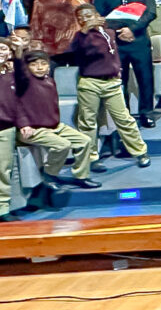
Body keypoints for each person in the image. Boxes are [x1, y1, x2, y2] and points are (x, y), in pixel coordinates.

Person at [69, 4, 151, 171]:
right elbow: (77, 52)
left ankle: (140, 152)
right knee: (88, 123)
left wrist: (117, 69)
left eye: (88, 15)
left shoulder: (109, 32)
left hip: (112, 82)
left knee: (124, 119)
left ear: (97, 15)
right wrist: (85, 29)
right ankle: (91, 158)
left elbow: (115, 52)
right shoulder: (80, 37)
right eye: (80, 17)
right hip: (90, 82)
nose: (85, 19)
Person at [14, 46, 101, 189]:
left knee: (84, 141)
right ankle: (49, 174)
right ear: (27, 67)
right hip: (34, 128)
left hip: (54, 126)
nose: (39, 68)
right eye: (34, 64)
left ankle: (81, 176)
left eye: (43, 64)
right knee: (62, 145)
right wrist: (18, 54)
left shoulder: (49, 80)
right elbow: (19, 73)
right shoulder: (25, 81)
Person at [93, 0, 158, 128]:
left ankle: (147, 113)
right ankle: (125, 115)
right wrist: (117, 31)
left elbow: (151, 13)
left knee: (145, 78)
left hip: (139, 40)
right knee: (120, 80)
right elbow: (99, 15)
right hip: (115, 43)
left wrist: (132, 29)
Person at [0, 39, 15, 221]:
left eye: (4, 49)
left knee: (3, 169)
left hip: (5, 128)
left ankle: (2, 208)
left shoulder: (14, 76)